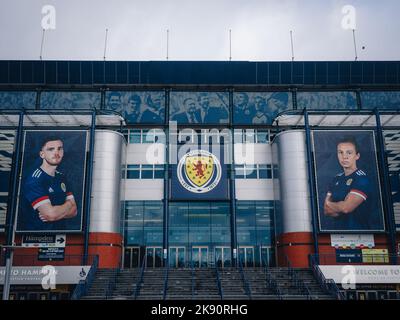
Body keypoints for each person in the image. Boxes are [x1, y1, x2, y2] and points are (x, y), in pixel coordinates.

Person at [18, 136, 77, 231]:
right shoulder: (35, 179)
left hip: (60, 234)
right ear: (42, 154)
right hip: (36, 236)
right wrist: (68, 204)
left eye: (59, 148)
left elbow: (74, 211)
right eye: (51, 149)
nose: (56, 153)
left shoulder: (61, 177)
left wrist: (56, 212)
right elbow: (51, 214)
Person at [323, 136, 377, 230]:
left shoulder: (361, 179)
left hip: (360, 235)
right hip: (338, 236)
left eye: (349, 152)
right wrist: (341, 204)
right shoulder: (336, 179)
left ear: (357, 156)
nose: (344, 156)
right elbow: (326, 210)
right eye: (340, 152)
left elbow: (346, 208)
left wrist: (332, 204)